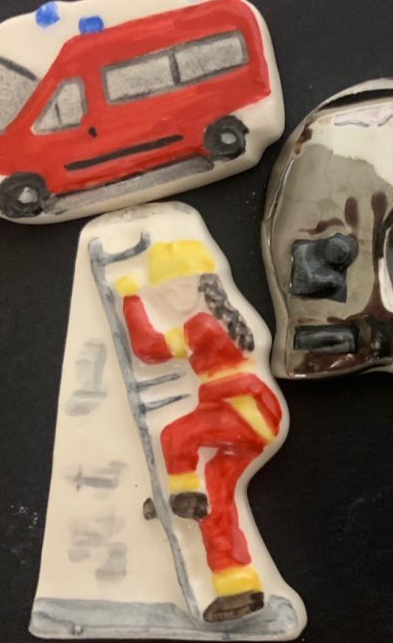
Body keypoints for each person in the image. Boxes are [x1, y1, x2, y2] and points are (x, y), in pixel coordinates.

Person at [116, 240, 281, 622]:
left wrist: (131, 300)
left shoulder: (202, 323)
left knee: (176, 435)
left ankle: (183, 497)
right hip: (233, 412)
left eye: (181, 286)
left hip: (241, 411)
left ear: (202, 281)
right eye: (165, 292)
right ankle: (237, 587)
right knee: (218, 500)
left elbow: (149, 348)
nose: (175, 298)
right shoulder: (220, 318)